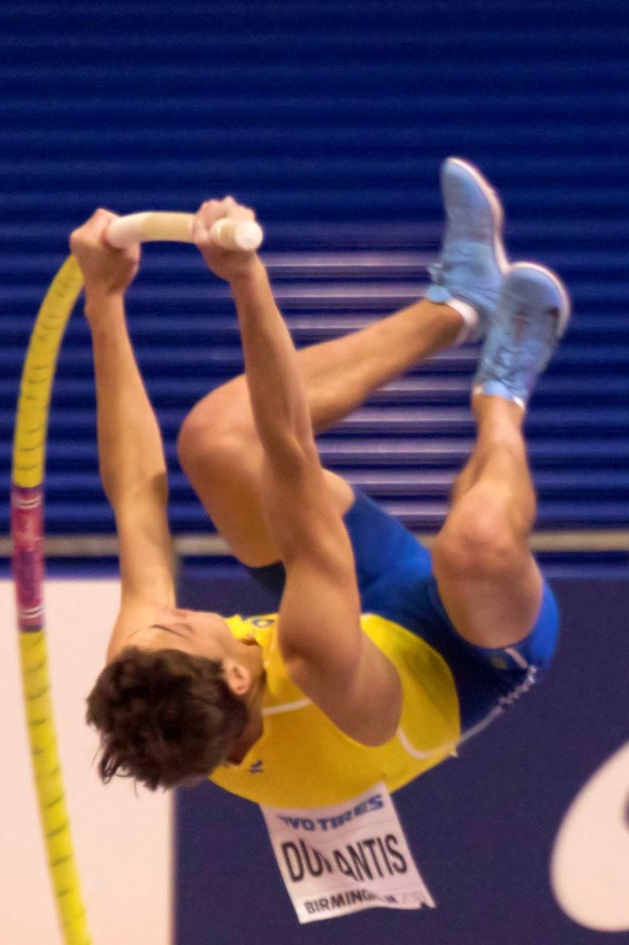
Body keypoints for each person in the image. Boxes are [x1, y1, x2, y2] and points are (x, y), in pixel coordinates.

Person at [74, 158, 569, 812]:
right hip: (468, 655)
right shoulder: (316, 664)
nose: (173, 613)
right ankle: (502, 395)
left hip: (355, 602)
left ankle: (458, 304)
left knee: (216, 440)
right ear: (238, 675)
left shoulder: (151, 678)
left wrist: (103, 300)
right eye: (182, 626)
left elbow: (136, 493)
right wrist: (247, 280)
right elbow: (288, 447)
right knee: (474, 542)